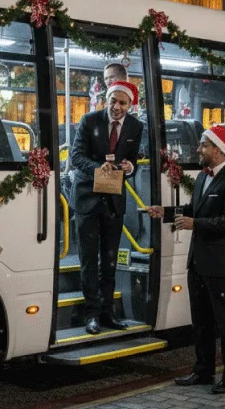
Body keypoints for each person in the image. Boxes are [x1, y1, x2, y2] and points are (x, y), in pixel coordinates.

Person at [147, 125, 225, 396]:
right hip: (198, 262)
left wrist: (196, 224)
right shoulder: (203, 179)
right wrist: (166, 212)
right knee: (201, 321)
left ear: (217, 149)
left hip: (221, 264)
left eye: (203, 145)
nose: (198, 149)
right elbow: (194, 211)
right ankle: (203, 370)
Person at [70, 80, 143, 334]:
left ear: (130, 105)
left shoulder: (136, 126)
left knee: (110, 259)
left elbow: (132, 160)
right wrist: (96, 167)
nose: (117, 107)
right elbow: (75, 157)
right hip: (87, 198)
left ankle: (107, 312)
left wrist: (130, 168)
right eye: (113, 101)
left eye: (122, 103)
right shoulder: (89, 121)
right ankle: (91, 315)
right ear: (106, 99)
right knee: (89, 258)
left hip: (113, 198)